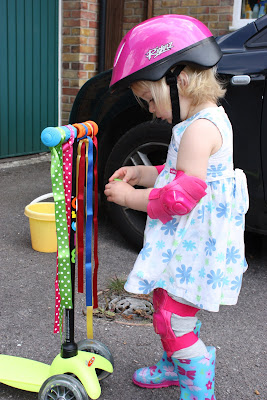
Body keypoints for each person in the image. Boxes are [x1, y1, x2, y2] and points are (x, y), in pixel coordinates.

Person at [104, 14, 249, 400]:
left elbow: (180, 197)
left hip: (193, 243)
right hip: (188, 242)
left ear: (178, 79)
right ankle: (175, 365)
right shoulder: (199, 121)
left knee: (172, 316)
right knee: (169, 303)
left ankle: (198, 385)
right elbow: (175, 175)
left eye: (150, 100)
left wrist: (130, 199)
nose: (151, 111)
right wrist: (144, 175)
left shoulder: (200, 129)